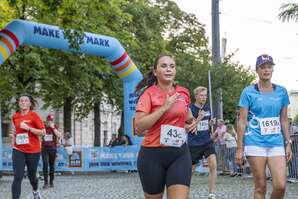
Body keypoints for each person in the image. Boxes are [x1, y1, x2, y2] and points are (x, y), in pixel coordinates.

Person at [135, 54, 197, 199]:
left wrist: (192, 122)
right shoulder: (148, 94)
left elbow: (186, 115)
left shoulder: (183, 92)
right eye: (164, 66)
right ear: (155, 71)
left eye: (172, 66)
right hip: (152, 155)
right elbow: (139, 126)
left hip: (179, 154)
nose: (168, 69)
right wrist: (164, 108)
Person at [236, 54, 292, 199]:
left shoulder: (282, 92)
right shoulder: (248, 92)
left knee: (280, 185)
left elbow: (284, 120)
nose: (266, 70)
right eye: (263, 67)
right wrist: (240, 148)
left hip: (276, 142)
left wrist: (288, 143)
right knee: (260, 186)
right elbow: (242, 121)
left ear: (272, 70)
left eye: (269, 67)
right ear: (257, 70)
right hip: (255, 142)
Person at [11, 94, 46, 199]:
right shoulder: (15, 116)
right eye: (21, 101)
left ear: (30, 103)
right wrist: (13, 140)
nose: (23, 102)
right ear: (18, 103)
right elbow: (16, 131)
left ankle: (35, 191)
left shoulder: (34, 116)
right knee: (18, 176)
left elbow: (43, 132)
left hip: (33, 150)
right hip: (18, 149)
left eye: (26, 101)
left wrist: (28, 128)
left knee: (32, 176)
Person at [187, 86, 217, 199]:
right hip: (194, 143)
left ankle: (212, 193)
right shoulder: (190, 109)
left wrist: (210, 124)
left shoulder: (208, 108)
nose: (204, 98)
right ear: (196, 96)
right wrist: (199, 118)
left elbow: (207, 124)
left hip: (206, 142)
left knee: (213, 164)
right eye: (201, 95)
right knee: (190, 171)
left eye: (205, 95)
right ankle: (185, 192)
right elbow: (189, 128)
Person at [41, 114, 62, 189]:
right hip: (44, 148)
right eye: (49, 120)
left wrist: (53, 128)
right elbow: (39, 134)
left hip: (53, 148)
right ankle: (45, 182)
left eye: (51, 120)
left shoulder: (55, 127)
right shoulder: (43, 126)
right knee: (45, 164)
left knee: (52, 165)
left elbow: (59, 135)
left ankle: (51, 181)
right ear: (46, 120)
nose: (50, 122)